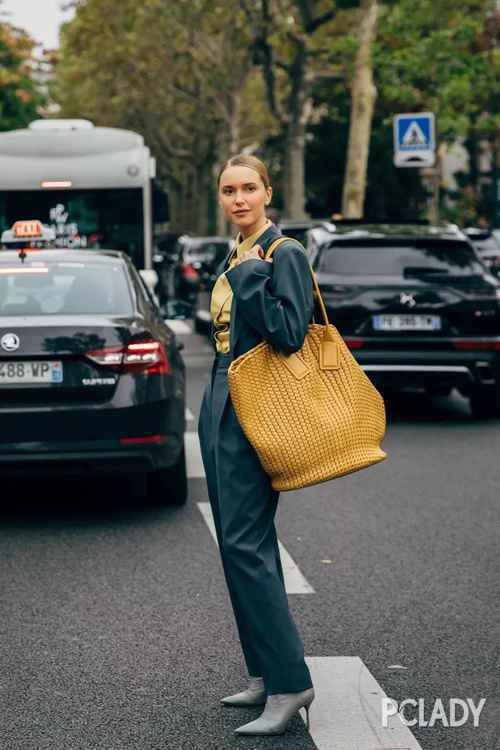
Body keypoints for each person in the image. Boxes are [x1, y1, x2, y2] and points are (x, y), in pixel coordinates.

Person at [197, 154, 315, 736]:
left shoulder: (280, 253)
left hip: (255, 400)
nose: (238, 199)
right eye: (228, 190)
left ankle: (292, 683)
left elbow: (291, 333)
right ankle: (265, 673)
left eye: (248, 188)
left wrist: (247, 280)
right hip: (220, 392)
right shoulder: (238, 252)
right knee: (236, 542)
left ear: (268, 192)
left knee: (246, 542)